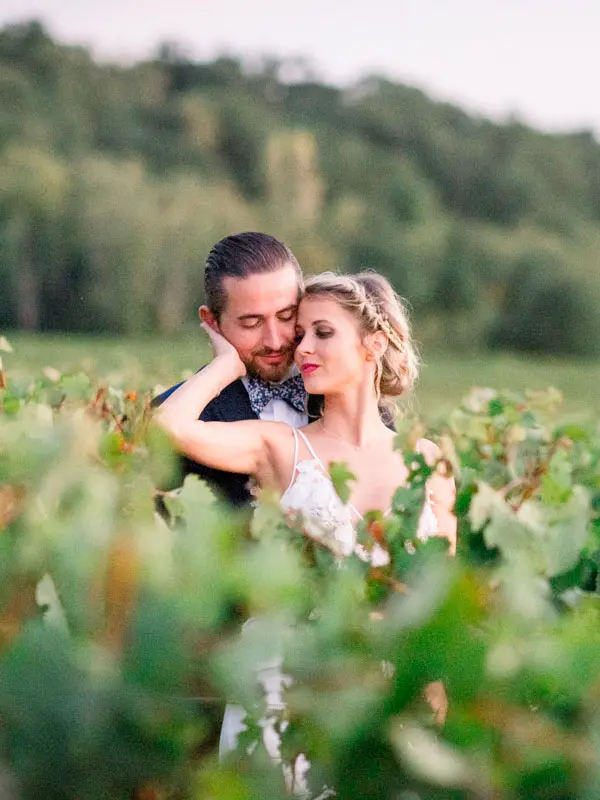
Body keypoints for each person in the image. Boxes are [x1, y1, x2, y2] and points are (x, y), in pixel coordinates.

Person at [154, 268, 457, 788]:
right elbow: (168, 426)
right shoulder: (279, 446)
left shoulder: (428, 462)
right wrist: (226, 362)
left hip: (384, 697)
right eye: (302, 336)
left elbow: (437, 600)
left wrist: (435, 700)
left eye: (323, 333)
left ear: (373, 344)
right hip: (284, 689)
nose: (302, 350)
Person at [153, 231, 316, 507]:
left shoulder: (345, 400)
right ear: (212, 322)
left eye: (286, 316)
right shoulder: (176, 412)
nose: (274, 341)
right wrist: (222, 367)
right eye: (252, 323)